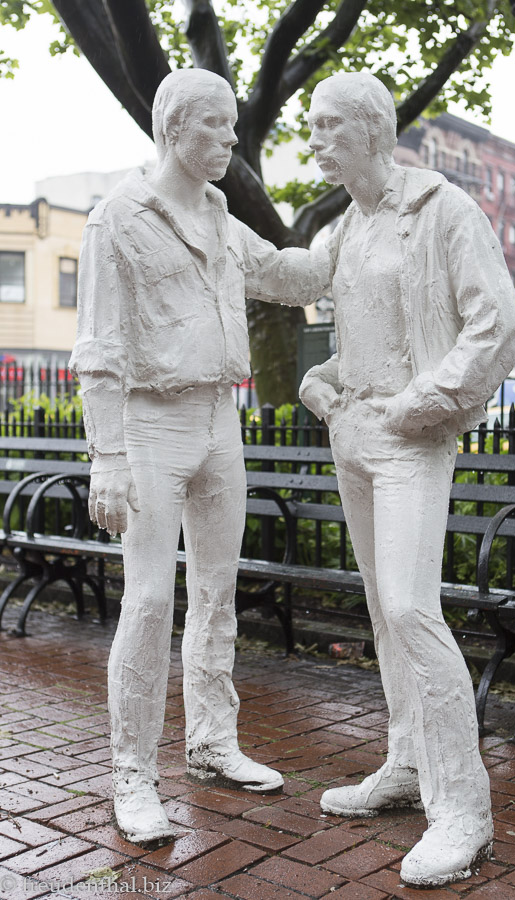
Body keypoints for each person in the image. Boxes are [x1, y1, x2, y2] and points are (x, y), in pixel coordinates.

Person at [70, 68, 327, 845]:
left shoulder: (219, 214)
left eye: (232, 123)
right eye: (217, 125)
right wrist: (106, 456)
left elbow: (282, 273)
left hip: (222, 420)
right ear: (176, 127)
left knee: (217, 592)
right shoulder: (118, 216)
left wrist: (363, 223)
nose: (231, 139)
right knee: (148, 601)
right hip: (150, 425)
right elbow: (99, 347)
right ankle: (133, 772)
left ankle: (213, 744)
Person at [299, 71, 515, 888]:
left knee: (410, 608)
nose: (314, 139)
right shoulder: (348, 227)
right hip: (352, 437)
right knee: (381, 611)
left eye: (327, 126)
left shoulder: (443, 209)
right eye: (312, 127)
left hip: (410, 438)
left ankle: (462, 806)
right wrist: (324, 384)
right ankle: (403, 765)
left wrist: (418, 406)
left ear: (368, 129)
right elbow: (361, 340)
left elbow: (496, 326)